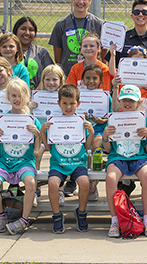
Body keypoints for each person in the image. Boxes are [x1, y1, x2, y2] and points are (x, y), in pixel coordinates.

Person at [0, 79, 42, 235]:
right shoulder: (3, 119)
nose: (17, 99)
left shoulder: (32, 120)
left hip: (24, 162)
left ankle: (24, 220)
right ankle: (0, 215)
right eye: (13, 95)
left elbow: (37, 150)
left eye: (21, 95)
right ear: (8, 98)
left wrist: (37, 135)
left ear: (27, 97)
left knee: (30, 183)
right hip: (4, 162)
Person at [102, 85, 147, 237]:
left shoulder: (144, 121)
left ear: (139, 103)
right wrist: (105, 136)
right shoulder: (113, 119)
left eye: (131, 101)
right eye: (124, 100)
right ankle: (115, 221)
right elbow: (107, 148)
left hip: (139, 157)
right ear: (119, 101)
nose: (127, 103)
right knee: (111, 178)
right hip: (118, 157)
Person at [41, 84, 95, 233]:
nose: (68, 106)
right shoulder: (54, 122)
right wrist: (43, 132)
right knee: (52, 183)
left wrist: (90, 132)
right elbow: (49, 148)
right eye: (64, 103)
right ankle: (57, 215)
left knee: (84, 182)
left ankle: (82, 213)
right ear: (59, 103)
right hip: (58, 163)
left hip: (77, 163)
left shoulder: (82, 122)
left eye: (72, 103)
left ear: (78, 103)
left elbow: (86, 147)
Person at [49, 0, 103, 77]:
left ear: (90, 0)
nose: (81, 2)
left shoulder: (98, 24)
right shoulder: (62, 24)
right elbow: (58, 57)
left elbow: (103, 52)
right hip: (68, 74)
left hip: (93, 76)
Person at [12, 16, 54, 89]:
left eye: (31, 30)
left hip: (37, 95)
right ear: (15, 31)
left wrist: (36, 91)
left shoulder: (41, 52)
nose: (27, 33)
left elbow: (51, 73)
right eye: (23, 29)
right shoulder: (8, 51)